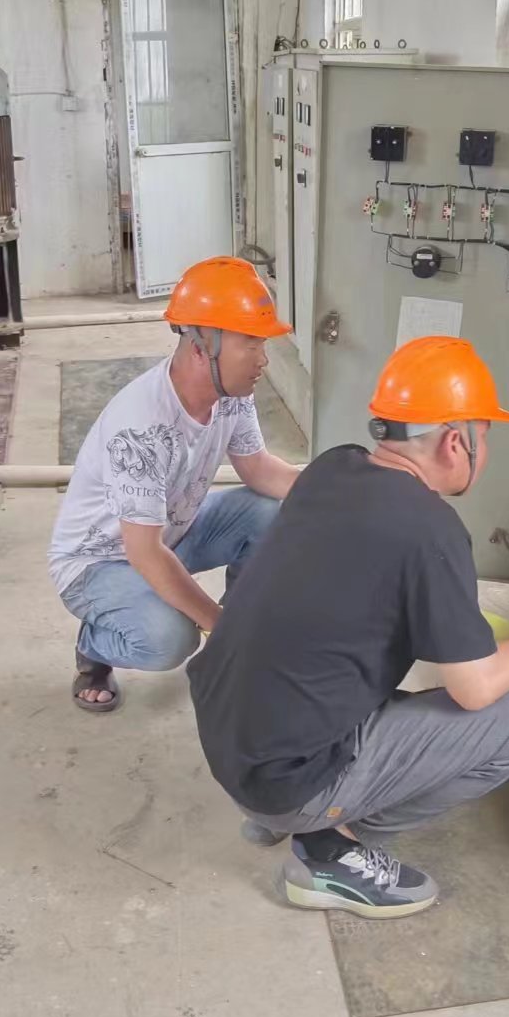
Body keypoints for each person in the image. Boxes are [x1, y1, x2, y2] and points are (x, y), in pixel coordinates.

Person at [187, 336, 509, 918]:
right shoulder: (431, 529)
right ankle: (329, 846)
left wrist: (468, 625)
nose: (484, 450)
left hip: (231, 736)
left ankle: (286, 809)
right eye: (484, 436)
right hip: (285, 777)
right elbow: (474, 689)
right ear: (455, 441)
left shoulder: (332, 468)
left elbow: (350, 592)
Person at [48, 256, 299, 713]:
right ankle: (94, 645)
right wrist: (218, 627)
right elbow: (143, 553)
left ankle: (240, 629)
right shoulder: (141, 427)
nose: (263, 359)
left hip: (167, 533)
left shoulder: (230, 394)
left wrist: (340, 491)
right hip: (100, 562)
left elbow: (260, 470)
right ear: (203, 346)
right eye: (251, 343)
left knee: (276, 512)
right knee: (169, 639)